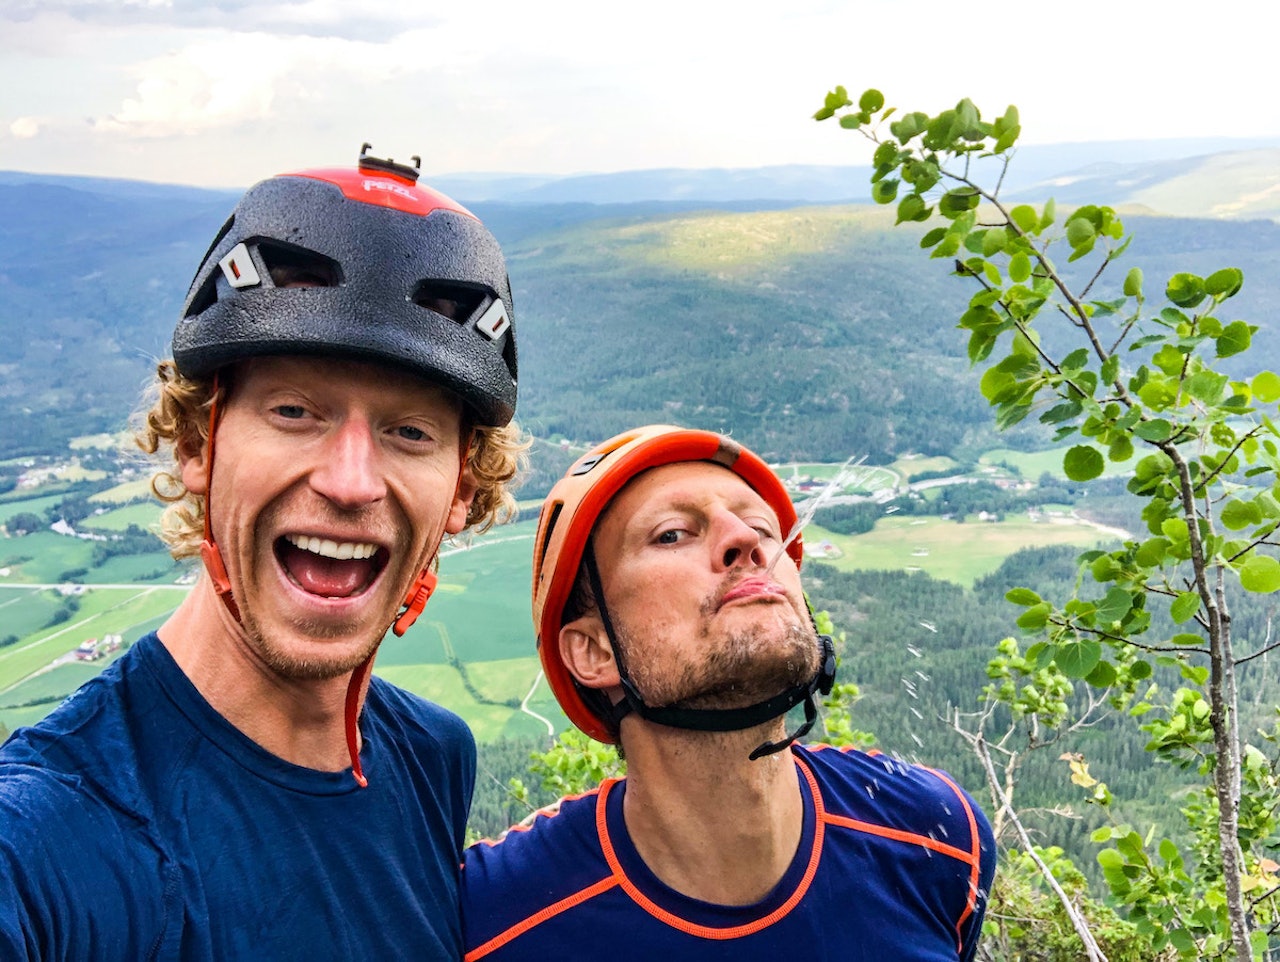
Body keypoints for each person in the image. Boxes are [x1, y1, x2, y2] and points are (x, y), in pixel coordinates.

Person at [0, 147, 525, 960]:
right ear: (198, 441)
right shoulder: (50, 839)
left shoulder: (432, 757)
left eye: (410, 431)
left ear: (461, 490)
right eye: (293, 410)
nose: (352, 482)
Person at [462, 425, 995, 960]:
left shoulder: (937, 836)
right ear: (594, 652)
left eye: (762, 526)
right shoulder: (494, 919)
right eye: (671, 534)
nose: (748, 542)